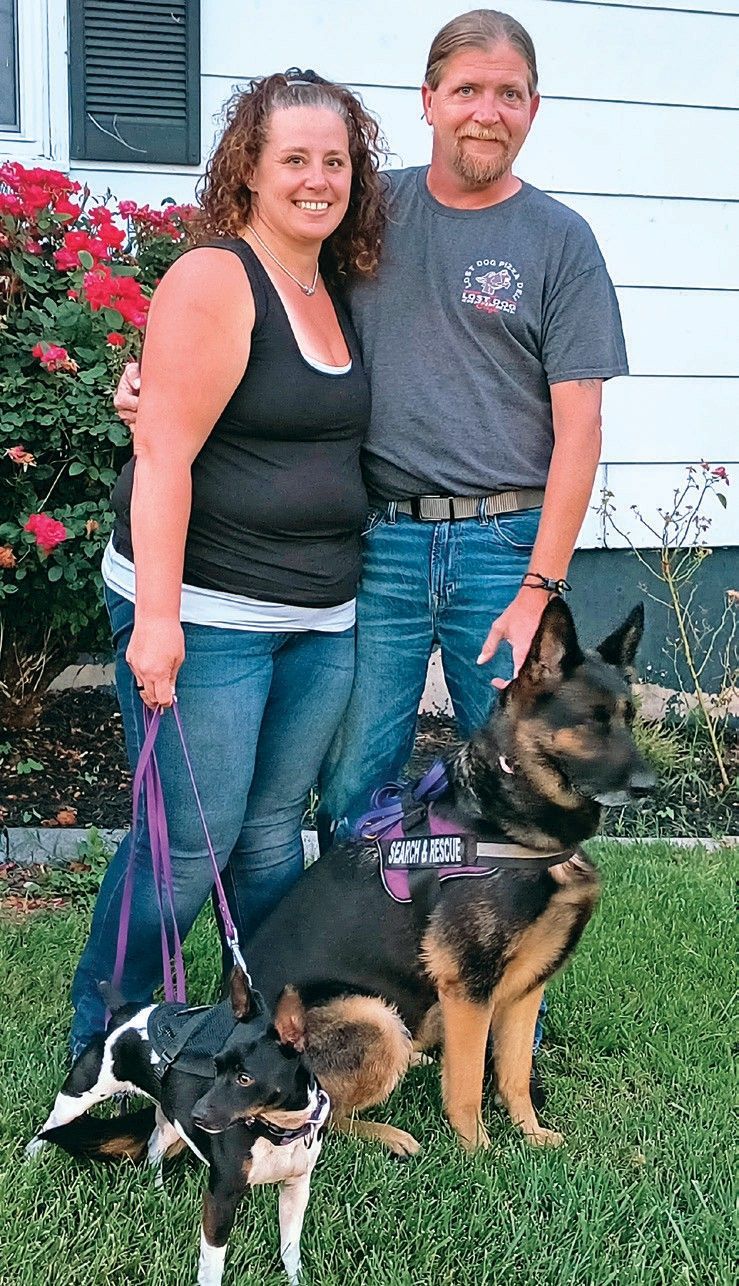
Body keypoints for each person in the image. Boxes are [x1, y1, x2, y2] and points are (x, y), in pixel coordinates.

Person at [115, 11, 628, 1055]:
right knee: (360, 791)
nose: (488, 111)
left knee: (517, 788)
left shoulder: (559, 241)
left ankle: (498, 996)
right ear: (429, 99)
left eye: (510, 93)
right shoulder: (362, 213)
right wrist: (149, 383)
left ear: (532, 109)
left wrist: (539, 583)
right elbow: (250, 310)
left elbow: (581, 425)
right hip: (377, 551)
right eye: (468, 89)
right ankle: (360, 993)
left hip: (501, 549)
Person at [69, 71, 386, 1056]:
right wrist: (156, 622)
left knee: (264, 837)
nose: (317, 178)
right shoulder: (218, 276)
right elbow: (162, 451)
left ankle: (263, 1041)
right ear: (248, 167)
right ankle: (109, 1048)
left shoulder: (332, 284)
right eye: (294, 157)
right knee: (183, 850)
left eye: (334, 159)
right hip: (205, 612)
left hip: (317, 617)